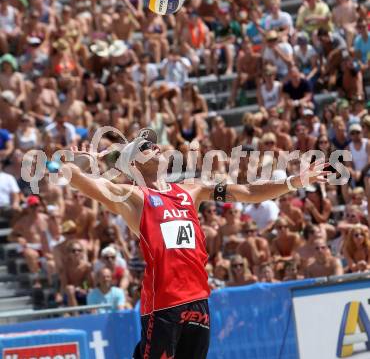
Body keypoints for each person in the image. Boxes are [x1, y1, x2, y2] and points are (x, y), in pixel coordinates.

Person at [62, 127, 327, 358]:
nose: (155, 147)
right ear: (134, 164)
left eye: (153, 144)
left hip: (198, 299)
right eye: (145, 147)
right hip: (164, 303)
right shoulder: (133, 197)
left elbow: (247, 192)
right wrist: (84, 162)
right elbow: (76, 178)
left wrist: (295, 182)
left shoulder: (192, 189)